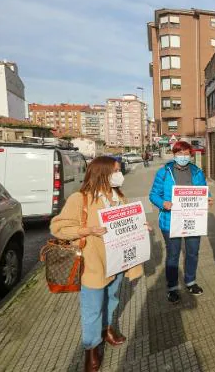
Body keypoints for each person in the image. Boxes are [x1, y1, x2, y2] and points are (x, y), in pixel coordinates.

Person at [50, 157, 145, 372]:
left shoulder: (118, 196)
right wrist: (88, 230)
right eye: (116, 171)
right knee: (91, 308)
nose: (119, 174)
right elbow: (58, 228)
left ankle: (107, 329)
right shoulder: (80, 198)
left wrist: (141, 225)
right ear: (102, 173)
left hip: (117, 260)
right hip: (93, 263)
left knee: (112, 297)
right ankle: (91, 348)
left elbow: (127, 223)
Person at [149, 141, 212, 304]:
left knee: (192, 252)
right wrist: (163, 203)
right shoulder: (164, 172)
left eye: (186, 154)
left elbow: (204, 190)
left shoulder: (197, 171)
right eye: (179, 153)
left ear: (191, 155)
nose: (183, 157)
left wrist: (207, 198)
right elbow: (154, 194)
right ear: (174, 154)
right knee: (173, 254)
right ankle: (172, 288)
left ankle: (190, 281)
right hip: (170, 221)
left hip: (192, 220)